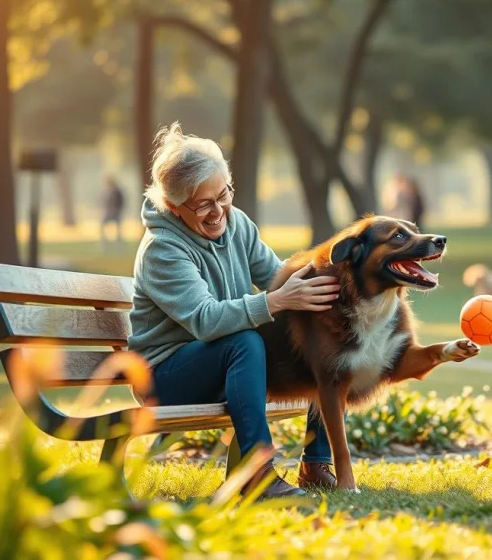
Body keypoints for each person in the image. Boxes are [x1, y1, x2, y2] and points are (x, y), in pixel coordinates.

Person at [128, 122, 342, 499]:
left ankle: (316, 463)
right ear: (174, 207)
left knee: (313, 335)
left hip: (221, 360)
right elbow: (206, 320)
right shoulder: (163, 249)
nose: (218, 211)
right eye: (202, 204)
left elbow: (277, 275)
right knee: (243, 341)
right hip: (165, 376)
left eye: (223, 194)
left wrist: (330, 280)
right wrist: (277, 301)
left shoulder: (237, 222)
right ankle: (257, 474)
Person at [100, 176, 125, 247]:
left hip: (116, 213)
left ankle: (119, 243)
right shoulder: (106, 191)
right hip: (108, 213)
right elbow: (103, 202)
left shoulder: (117, 191)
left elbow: (121, 202)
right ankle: (104, 243)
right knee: (102, 226)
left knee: (118, 230)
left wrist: (117, 210)